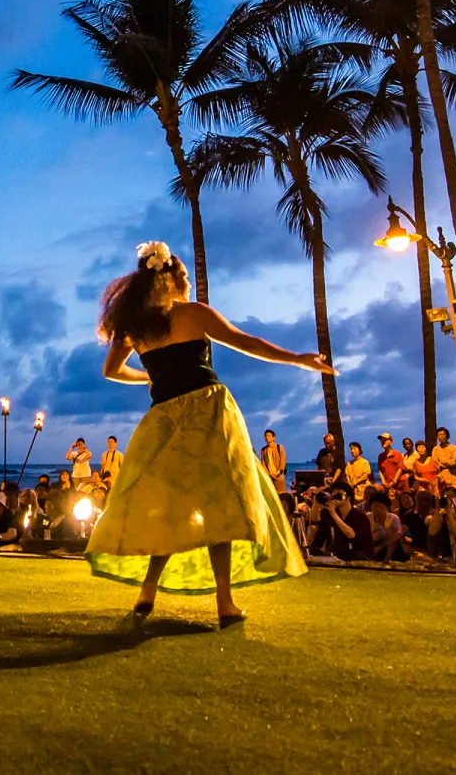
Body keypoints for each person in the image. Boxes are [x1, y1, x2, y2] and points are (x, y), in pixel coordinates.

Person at [87, 240, 326, 629]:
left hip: (164, 419)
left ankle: (148, 590)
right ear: (170, 280)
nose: (188, 283)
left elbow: (111, 371)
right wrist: (297, 359)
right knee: (220, 508)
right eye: (184, 276)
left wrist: (149, 377)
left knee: (168, 507)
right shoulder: (194, 313)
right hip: (207, 412)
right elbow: (247, 343)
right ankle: (224, 602)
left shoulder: (136, 327)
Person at [325, 483, 374, 561]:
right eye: (334, 495)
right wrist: (316, 504)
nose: (336, 498)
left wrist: (334, 514)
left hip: (360, 557)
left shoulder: (360, 516)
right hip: (339, 556)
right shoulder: (332, 513)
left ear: (349, 497)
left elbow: (351, 534)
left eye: (339, 495)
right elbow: (315, 521)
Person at [368, 491, 405, 562]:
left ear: (387, 508)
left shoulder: (393, 518)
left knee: (392, 535)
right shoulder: (368, 517)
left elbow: (398, 534)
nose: (377, 510)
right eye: (374, 507)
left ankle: (387, 559)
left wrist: (381, 545)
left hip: (389, 544)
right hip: (373, 543)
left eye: (380, 507)